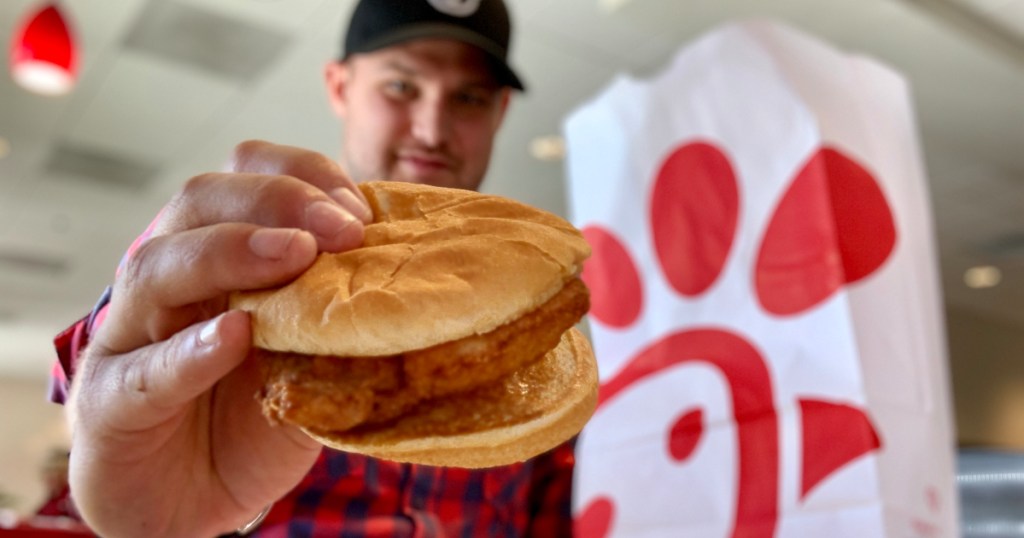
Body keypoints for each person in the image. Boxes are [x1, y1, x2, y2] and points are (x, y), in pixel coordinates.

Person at [48, 0, 576, 536]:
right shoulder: (246, 259)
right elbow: (90, 378)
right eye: (401, 86)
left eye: (468, 96)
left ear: (501, 111)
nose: (432, 128)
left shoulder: (537, 325)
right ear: (340, 86)